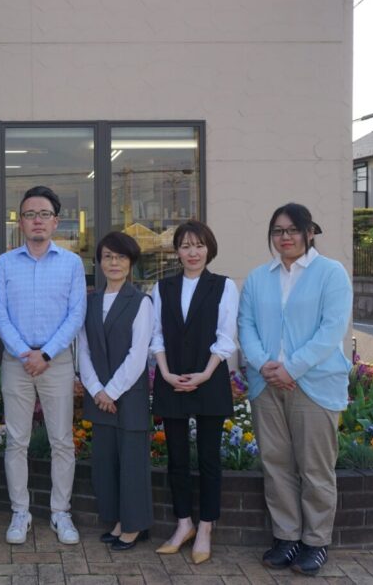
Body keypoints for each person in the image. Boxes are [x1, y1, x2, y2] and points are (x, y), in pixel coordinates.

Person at [238, 203, 352, 576]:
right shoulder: (258, 277)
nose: (284, 237)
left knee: (315, 468)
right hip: (266, 384)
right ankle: (286, 537)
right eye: (277, 231)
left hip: (314, 384)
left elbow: (331, 330)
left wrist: (292, 368)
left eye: (292, 230)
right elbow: (246, 325)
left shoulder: (331, 273)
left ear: (309, 232)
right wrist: (263, 364)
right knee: (276, 465)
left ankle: (315, 542)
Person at [0, 186, 87, 545]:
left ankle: (60, 512)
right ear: (20, 222)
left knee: (61, 441)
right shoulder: (4, 263)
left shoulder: (71, 263)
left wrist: (45, 354)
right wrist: (24, 353)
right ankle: (21, 511)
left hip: (56, 362)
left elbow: (76, 315)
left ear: (55, 221)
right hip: (16, 362)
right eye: (30, 214)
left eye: (44, 214)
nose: (37, 221)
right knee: (16, 441)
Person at [150, 220, 239, 564]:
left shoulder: (223, 286)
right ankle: (183, 523)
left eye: (199, 245)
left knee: (208, 458)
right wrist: (165, 372)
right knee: (177, 458)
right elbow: (157, 335)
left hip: (209, 378)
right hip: (171, 378)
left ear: (209, 249)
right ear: (176, 251)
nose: (193, 252)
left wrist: (205, 373)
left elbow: (226, 336)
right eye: (186, 246)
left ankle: (205, 527)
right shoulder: (163, 287)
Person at [77, 232, 154, 551]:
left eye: (121, 257)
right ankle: (120, 520)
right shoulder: (90, 301)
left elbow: (138, 354)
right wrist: (97, 390)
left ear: (131, 262)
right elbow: (82, 349)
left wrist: (111, 391)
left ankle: (134, 526)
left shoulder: (141, 302)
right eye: (108, 256)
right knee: (106, 464)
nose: (114, 262)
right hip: (100, 398)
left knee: (132, 464)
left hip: (128, 397)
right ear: (99, 261)